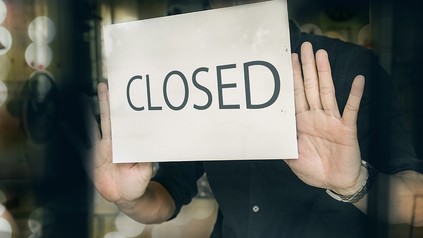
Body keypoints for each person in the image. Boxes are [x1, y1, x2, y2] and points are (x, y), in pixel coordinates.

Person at [86, 0, 423, 237]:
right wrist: (128, 199)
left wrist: (355, 183)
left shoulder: (350, 67)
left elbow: (416, 207)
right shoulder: (198, 79)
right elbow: (169, 196)